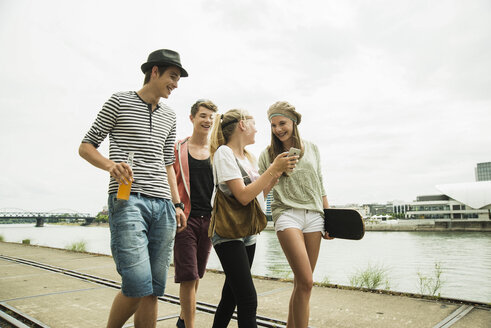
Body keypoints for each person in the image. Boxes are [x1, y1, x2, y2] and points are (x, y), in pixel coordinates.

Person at [78, 49, 188, 328]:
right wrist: (109, 166)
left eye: (177, 79)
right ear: (154, 72)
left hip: (163, 205)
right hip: (128, 200)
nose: (175, 84)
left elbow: (168, 165)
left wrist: (177, 205)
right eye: (172, 76)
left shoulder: (170, 116)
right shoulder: (119, 101)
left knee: (153, 288)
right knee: (137, 282)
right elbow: (86, 146)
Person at [209, 109, 297, 328]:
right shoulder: (224, 153)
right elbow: (243, 196)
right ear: (242, 124)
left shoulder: (248, 158)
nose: (257, 128)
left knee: (231, 296)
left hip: (247, 231)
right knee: (248, 299)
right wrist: (272, 169)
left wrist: (274, 177)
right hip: (228, 231)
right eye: (254, 123)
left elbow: (257, 197)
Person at [258, 101, 332, 328]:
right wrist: (276, 170)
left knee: (302, 284)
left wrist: (329, 219)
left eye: (282, 123)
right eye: (273, 125)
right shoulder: (268, 154)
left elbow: (320, 184)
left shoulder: (313, 148)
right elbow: (261, 191)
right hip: (286, 213)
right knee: (307, 280)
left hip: (314, 215)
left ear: (294, 122)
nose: (278, 129)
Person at [173, 99, 218, 328]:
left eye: (211, 116)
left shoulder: (217, 152)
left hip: (209, 221)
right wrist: (175, 206)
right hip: (185, 219)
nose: (207, 120)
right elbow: (168, 179)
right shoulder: (178, 147)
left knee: (197, 274)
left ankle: (183, 319)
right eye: (203, 115)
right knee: (188, 276)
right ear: (192, 118)